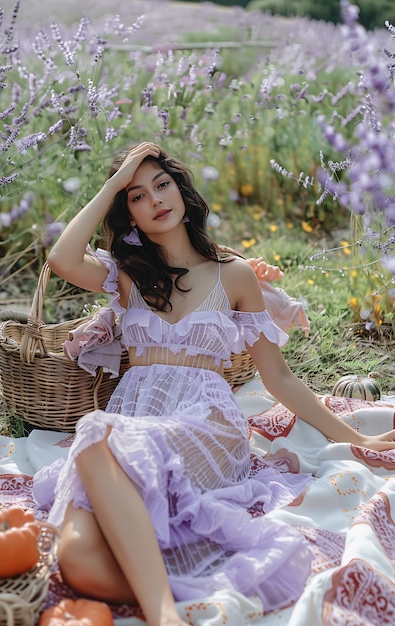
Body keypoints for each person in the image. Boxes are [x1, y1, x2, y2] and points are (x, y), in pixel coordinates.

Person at [40, 142, 395, 626]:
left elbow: (279, 377)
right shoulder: (125, 275)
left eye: (161, 185)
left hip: (204, 424)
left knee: (96, 432)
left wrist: (357, 439)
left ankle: (163, 616)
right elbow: (61, 258)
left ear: (182, 190)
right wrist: (111, 184)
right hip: (130, 429)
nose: (155, 200)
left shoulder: (236, 275)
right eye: (136, 196)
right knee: (77, 558)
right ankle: (192, 592)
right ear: (128, 214)